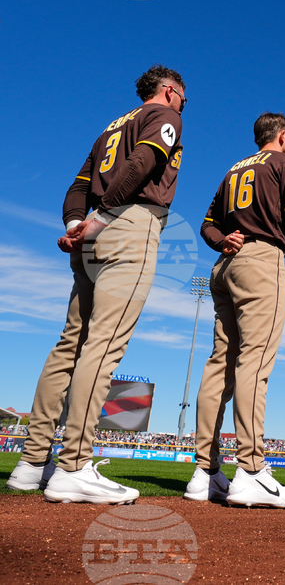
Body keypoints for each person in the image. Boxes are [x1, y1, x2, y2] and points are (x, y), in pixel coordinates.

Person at [11, 66, 187, 503]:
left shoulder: (110, 127)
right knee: (103, 345)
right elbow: (144, 162)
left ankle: (32, 463)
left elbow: (77, 185)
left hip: (90, 234)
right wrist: (105, 216)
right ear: (169, 91)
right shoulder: (163, 117)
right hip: (127, 224)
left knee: (69, 342)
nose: (184, 105)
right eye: (183, 97)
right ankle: (73, 465)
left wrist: (77, 223)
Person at [186, 113, 285, 508]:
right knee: (254, 362)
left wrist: (223, 238)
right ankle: (251, 470)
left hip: (225, 263)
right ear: (283, 136)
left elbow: (207, 224)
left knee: (219, 363)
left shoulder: (232, 170)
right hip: (260, 259)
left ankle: (203, 472)